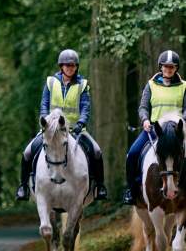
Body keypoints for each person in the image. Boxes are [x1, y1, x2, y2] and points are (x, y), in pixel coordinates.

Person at [16, 49, 108, 201]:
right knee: (27, 153)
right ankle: (23, 186)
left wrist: (81, 123)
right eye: (67, 65)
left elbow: (85, 107)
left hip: (75, 129)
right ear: (61, 66)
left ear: (76, 67)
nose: (70, 68)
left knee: (97, 151)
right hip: (52, 130)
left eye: (72, 65)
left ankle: (100, 186)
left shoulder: (82, 85)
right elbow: (44, 104)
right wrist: (45, 121)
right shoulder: (51, 83)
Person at [122, 50, 186, 206]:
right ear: (161, 67)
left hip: (177, 132)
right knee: (132, 154)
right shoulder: (151, 85)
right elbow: (143, 107)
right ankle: (132, 190)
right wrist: (144, 119)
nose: (169, 69)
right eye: (166, 67)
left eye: (172, 67)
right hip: (155, 131)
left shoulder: (184, 86)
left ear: (176, 68)